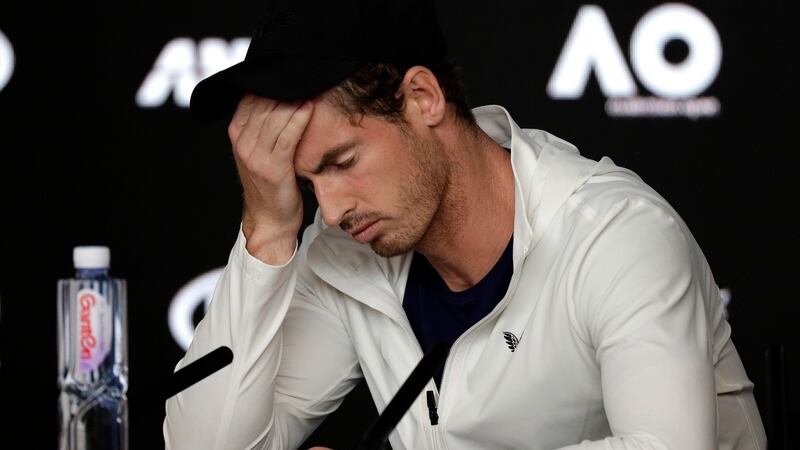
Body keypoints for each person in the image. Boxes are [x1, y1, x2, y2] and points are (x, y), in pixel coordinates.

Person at [164, 0, 766, 448]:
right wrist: (268, 229)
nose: (331, 207)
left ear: (423, 98)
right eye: (305, 183)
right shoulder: (343, 252)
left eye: (343, 162)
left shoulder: (618, 234)